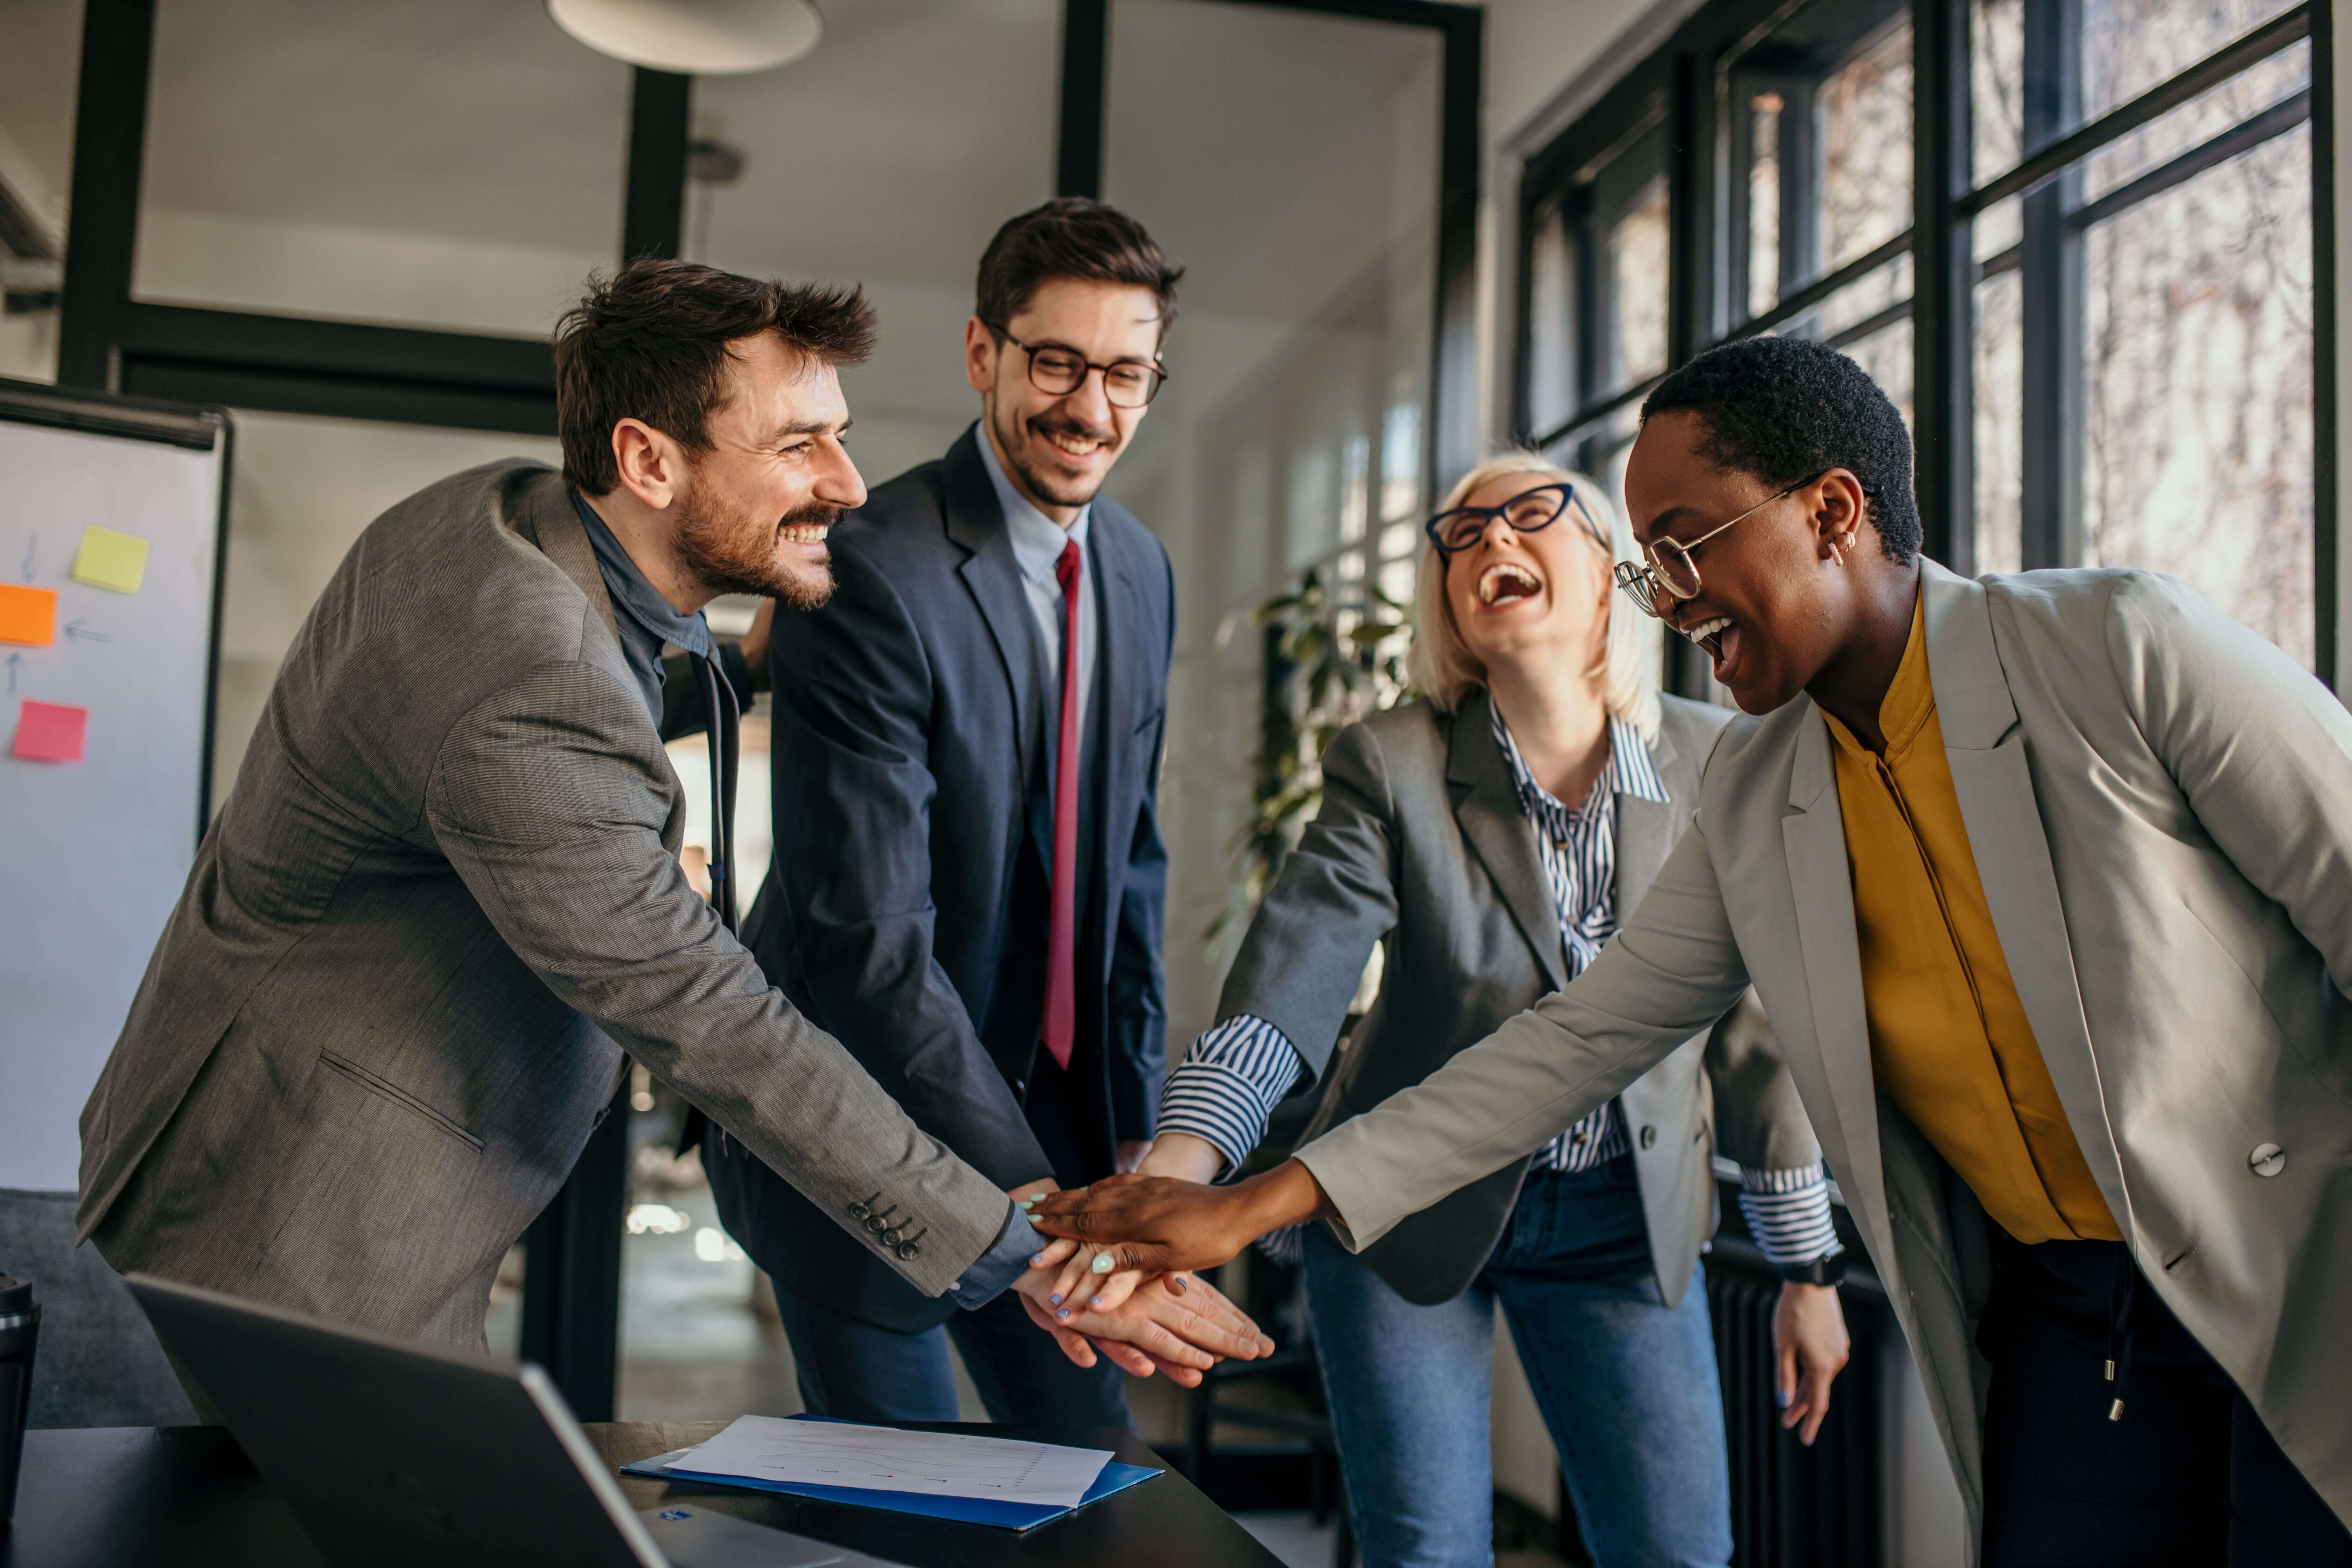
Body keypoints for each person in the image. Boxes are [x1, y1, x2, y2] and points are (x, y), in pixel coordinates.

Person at [1033, 336, 2352, 1562]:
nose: (1669, 598)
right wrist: (1241, 1194)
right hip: (2070, 1316)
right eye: (1651, 561)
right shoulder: (1752, 785)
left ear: (1831, 512)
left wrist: (1803, 1273)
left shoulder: (2121, 646)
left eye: (1683, 546)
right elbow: (1574, 1037)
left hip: (2290, 1269)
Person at [76, 258, 1263, 1389]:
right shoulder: (524, 671)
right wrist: (1014, 1250)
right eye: (800, 447)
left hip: (310, 1150)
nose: (848, 485)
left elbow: (598, 685)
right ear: (648, 459)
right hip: (285, 1210)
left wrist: (740, 679)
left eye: (840, 436)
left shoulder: (509, 516)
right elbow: (718, 1018)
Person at [1078, 452, 1850, 1566]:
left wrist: (1806, 1273)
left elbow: (1757, 1036)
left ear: (1606, 570)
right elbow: (1288, 983)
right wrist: (1178, 1177)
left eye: (1532, 517)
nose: (1493, 541)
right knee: (1428, 1554)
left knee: (1680, 1553)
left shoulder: (1716, 759)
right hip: (1405, 1217)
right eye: (1464, 532)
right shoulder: (1392, 764)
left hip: (1623, 1224)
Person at [698, 200, 1202, 1427]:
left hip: (1061, 1143)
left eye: (1126, 372)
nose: (1092, 407)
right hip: (867, 1137)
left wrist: (1128, 1140)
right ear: (985, 355)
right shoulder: (865, 561)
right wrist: (1025, 1204)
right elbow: (867, 937)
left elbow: (1127, 869)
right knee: (906, 1508)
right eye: (1058, 363)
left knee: (1100, 1482)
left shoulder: (1138, 567)